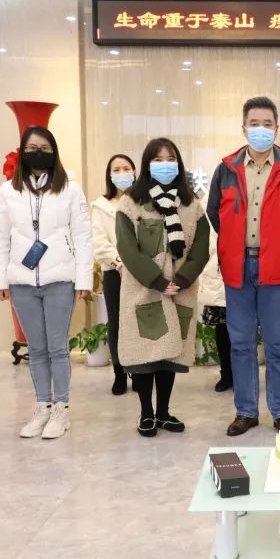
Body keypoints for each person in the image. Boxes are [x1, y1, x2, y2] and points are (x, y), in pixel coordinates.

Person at [207, 97, 280, 437]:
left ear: (277, 128)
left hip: (276, 267)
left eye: (267, 124)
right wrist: (234, 242)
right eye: (254, 123)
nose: (261, 129)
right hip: (238, 267)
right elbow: (214, 212)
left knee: (278, 344)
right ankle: (246, 411)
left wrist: (279, 240)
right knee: (241, 343)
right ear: (243, 128)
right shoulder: (226, 169)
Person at [0, 126, 93, 440]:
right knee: (35, 349)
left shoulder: (70, 189)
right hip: (21, 281)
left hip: (60, 278)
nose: (38, 153)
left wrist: (83, 278)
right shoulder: (8, 191)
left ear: (54, 152)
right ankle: (42, 407)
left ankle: (61, 409)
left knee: (58, 348)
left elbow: (83, 236)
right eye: (32, 148)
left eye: (45, 148)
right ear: (23, 152)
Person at [115, 138, 210, 437]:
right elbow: (128, 249)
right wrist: (157, 281)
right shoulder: (130, 202)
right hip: (144, 291)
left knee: (170, 356)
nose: (164, 165)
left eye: (170, 159)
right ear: (146, 165)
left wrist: (181, 280)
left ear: (179, 165)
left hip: (180, 290)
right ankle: (146, 413)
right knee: (145, 354)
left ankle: (164, 412)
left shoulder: (191, 204)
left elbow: (201, 248)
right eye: (157, 160)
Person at [92, 153, 137, 396]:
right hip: (114, 273)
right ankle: (119, 372)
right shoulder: (100, 206)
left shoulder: (143, 202)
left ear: (135, 172)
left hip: (141, 273)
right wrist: (119, 262)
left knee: (139, 322)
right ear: (109, 175)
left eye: (126, 168)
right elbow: (98, 241)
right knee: (117, 323)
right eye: (116, 170)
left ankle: (139, 371)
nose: (122, 173)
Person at [198, 224, 233, 393]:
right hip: (216, 272)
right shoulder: (209, 210)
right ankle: (226, 374)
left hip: (241, 267)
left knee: (243, 328)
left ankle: (243, 374)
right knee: (222, 327)